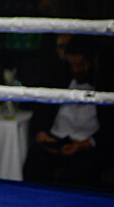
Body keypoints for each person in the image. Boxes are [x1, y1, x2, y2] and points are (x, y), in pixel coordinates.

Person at [23, 37, 102, 187]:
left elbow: (110, 129)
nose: (76, 69)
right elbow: (41, 111)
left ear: (94, 61)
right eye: (72, 65)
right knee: (35, 160)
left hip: (86, 146)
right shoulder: (59, 78)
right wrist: (42, 134)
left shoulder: (105, 85)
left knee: (82, 170)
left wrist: (85, 144)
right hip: (56, 140)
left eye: (81, 65)